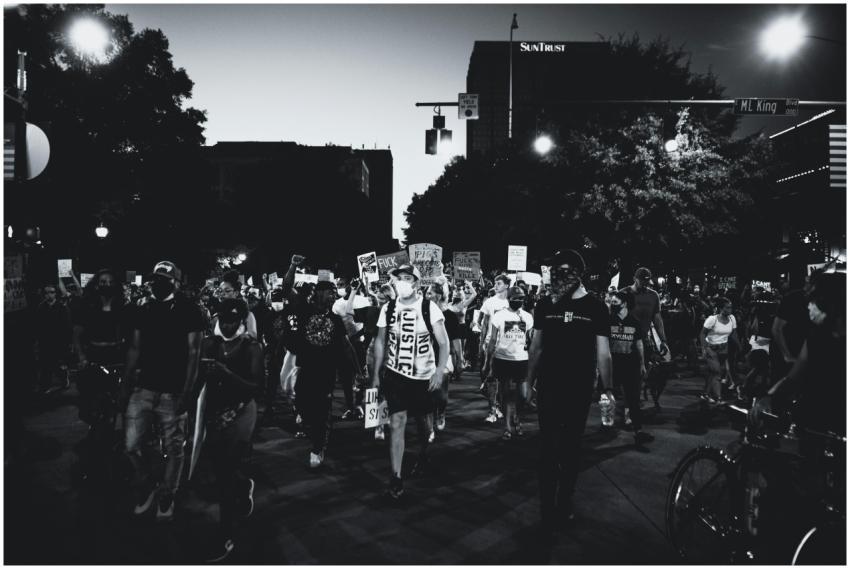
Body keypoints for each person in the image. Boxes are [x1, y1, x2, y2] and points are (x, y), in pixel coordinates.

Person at [525, 249, 612, 532]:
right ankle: (548, 505)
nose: (556, 277)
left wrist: (607, 390)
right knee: (548, 448)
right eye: (554, 271)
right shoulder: (544, 306)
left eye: (562, 271)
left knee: (571, 447)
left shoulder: (596, 308)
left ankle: (564, 499)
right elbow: (536, 347)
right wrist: (528, 380)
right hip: (549, 386)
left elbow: (604, 354)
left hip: (579, 389)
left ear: (577, 273)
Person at [122, 261, 205, 522]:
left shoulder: (189, 310)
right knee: (131, 445)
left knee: (174, 446)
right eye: (155, 279)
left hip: (173, 391)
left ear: (176, 283)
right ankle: (148, 482)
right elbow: (134, 349)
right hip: (144, 387)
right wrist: (126, 384)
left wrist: (187, 391)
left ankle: (168, 491)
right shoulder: (143, 310)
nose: (158, 283)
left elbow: (194, 353)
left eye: (164, 279)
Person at [371, 264, 450, 499]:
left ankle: (424, 452)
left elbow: (443, 343)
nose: (402, 282)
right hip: (396, 375)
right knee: (396, 423)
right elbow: (379, 341)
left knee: (424, 427)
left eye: (407, 278)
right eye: (399, 278)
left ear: (416, 283)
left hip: (423, 378)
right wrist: (376, 373)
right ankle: (396, 476)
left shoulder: (429, 308)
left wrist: (438, 371)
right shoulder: (389, 308)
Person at [281, 255, 362, 468]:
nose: (333, 295)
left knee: (322, 410)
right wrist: (293, 266)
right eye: (329, 291)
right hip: (305, 368)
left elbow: (346, 347)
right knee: (303, 405)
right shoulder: (304, 309)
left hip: (326, 372)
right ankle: (311, 429)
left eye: (334, 292)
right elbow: (287, 287)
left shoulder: (336, 319)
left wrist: (359, 371)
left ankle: (318, 446)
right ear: (318, 293)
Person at [198, 299, 263, 562]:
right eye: (223, 319)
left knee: (225, 473)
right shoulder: (208, 343)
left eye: (233, 321)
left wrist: (225, 373)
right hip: (215, 416)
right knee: (221, 469)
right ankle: (243, 483)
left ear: (242, 321)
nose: (226, 325)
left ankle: (226, 536)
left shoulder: (252, 347)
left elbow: (255, 387)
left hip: (241, 413)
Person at [751, 272, 845, 436]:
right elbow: (792, 380)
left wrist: (766, 400)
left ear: (827, 303)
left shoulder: (818, 339)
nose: (808, 305)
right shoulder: (817, 337)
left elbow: (792, 380)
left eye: (813, 300)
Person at [483, 286, 533, 440]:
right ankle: (508, 426)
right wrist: (487, 362)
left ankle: (517, 416)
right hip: (502, 359)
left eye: (521, 299)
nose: (518, 301)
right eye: (515, 298)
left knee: (523, 395)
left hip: (521, 360)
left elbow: (530, 340)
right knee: (506, 394)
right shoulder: (499, 316)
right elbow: (492, 340)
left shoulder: (528, 317)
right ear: (509, 299)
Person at [607, 291, 653, 445]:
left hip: (630, 366)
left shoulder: (634, 321)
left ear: (624, 303)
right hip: (613, 365)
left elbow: (639, 344)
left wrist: (641, 364)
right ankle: (606, 424)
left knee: (633, 399)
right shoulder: (609, 320)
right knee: (606, 396)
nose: (612, 305)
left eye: (615, 302)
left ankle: (638, 431)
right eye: (611, 302)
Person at [425, 280, 459, 434]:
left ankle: (441, 412)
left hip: (443, 359)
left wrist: (459, 358)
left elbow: (455, 340)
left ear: (438, 296)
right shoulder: (422, 313)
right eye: (426, 292)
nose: (427, 295)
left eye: (430, 293)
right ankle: (430, 428)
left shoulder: (450, 316)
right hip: (425, 359)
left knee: (442, 396)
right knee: (428, 396)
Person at [478, 274, 511, 423]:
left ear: (506, 285)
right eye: (496, 283)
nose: (496, 285)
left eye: (499, 283)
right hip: (490, 344)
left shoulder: (513, 301)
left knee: (504, 379)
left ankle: (499, 405)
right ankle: (492, 409)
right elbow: (484, 324)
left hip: (507, 345)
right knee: (489, 376)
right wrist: (481, 343)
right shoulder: (490, 302)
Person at [35, 284, 72, 393]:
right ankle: (44, 386)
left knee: (58, 364)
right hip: (45, 341)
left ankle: (64, 379)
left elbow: (67, 326)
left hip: (59, 341)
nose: (49, 295)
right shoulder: (41, 307)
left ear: (56, 294)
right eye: (46, 292)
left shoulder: (62, 308)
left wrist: (68, 343)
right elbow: (38, 325)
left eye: (51, 292)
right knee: (45, 365)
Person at [699, 297, 738, 403]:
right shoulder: (712, 319)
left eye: (731, 307)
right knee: (717, 372)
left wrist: (739, 346)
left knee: (712, 373)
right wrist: (705, 348)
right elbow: (702, 334)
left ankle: (705, 394)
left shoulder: (732, 318)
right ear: (721, 308)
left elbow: (734, 333)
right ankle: (718, 398)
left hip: (723, 349)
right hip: (711, 348)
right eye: (727, 308)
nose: (730, 310)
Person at [215, 272, 258, 339]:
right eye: (220, 291)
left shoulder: (247, 316)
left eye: (227, 291)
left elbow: (253, 339)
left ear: (236, 293)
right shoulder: (216, 316)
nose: (222, 294)